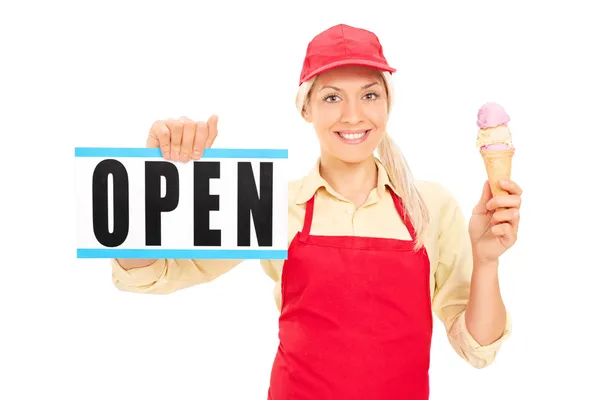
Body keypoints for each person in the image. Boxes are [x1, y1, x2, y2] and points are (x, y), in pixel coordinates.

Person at [111, 24, 522, 399]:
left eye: (369, 94)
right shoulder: (270, 203)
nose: (353, 115)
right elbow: (151, 270)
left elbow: (477, 346)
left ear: (387, 105)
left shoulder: (430, 206)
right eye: (331, 97)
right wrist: (150, 176)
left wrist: (486, 261)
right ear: (305, 109)